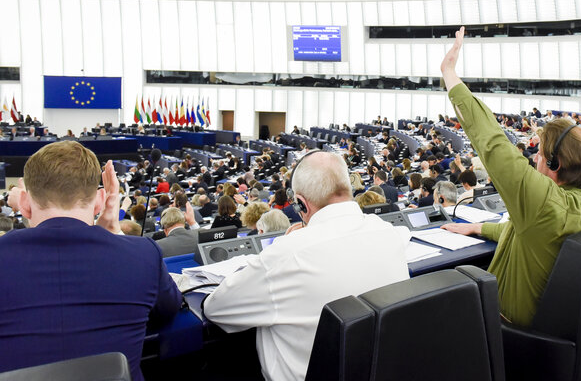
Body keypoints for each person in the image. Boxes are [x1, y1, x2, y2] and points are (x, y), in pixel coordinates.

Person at [439, 27, 581, 327]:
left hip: (506, 330)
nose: (535, 158)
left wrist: (449, 74)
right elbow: (531, 236)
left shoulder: (542, 200)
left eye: (540, 153)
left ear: (555, 163)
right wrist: (481, 228)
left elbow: (491, 141)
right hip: (552, 330)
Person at [202, 151, 410, 381]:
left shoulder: (287, 254)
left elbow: (216, 309)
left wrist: (282, 246)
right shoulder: (390, 233)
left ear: (300, 202)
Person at [0, 142, 180, 380]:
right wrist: (115, 232)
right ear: (100, 200)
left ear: (23, 202)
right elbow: (169, 309)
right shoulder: (144, 254)